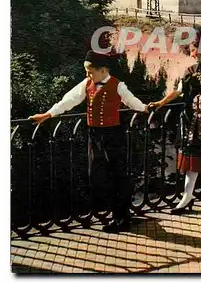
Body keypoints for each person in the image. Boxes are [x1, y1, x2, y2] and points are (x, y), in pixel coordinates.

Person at [29, 50, 149, 233]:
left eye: (90, 71)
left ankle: (121, 219)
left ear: (103, 70)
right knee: (97, 176)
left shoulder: (118, 85)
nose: (87, 75)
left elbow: (132, 102)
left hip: (113, 136)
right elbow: (68, 100)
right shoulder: (87, 83)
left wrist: (146, 108)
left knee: (118, 176)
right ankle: (111, 213)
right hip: (94, 135)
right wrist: (48, 115)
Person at [149, 35, 201, 214]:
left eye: (194, 50)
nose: (192, 53)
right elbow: (179, 91)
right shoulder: (190, 70)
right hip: (193, 122)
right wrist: (160, 103)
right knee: (192, 160)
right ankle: (187, 197)